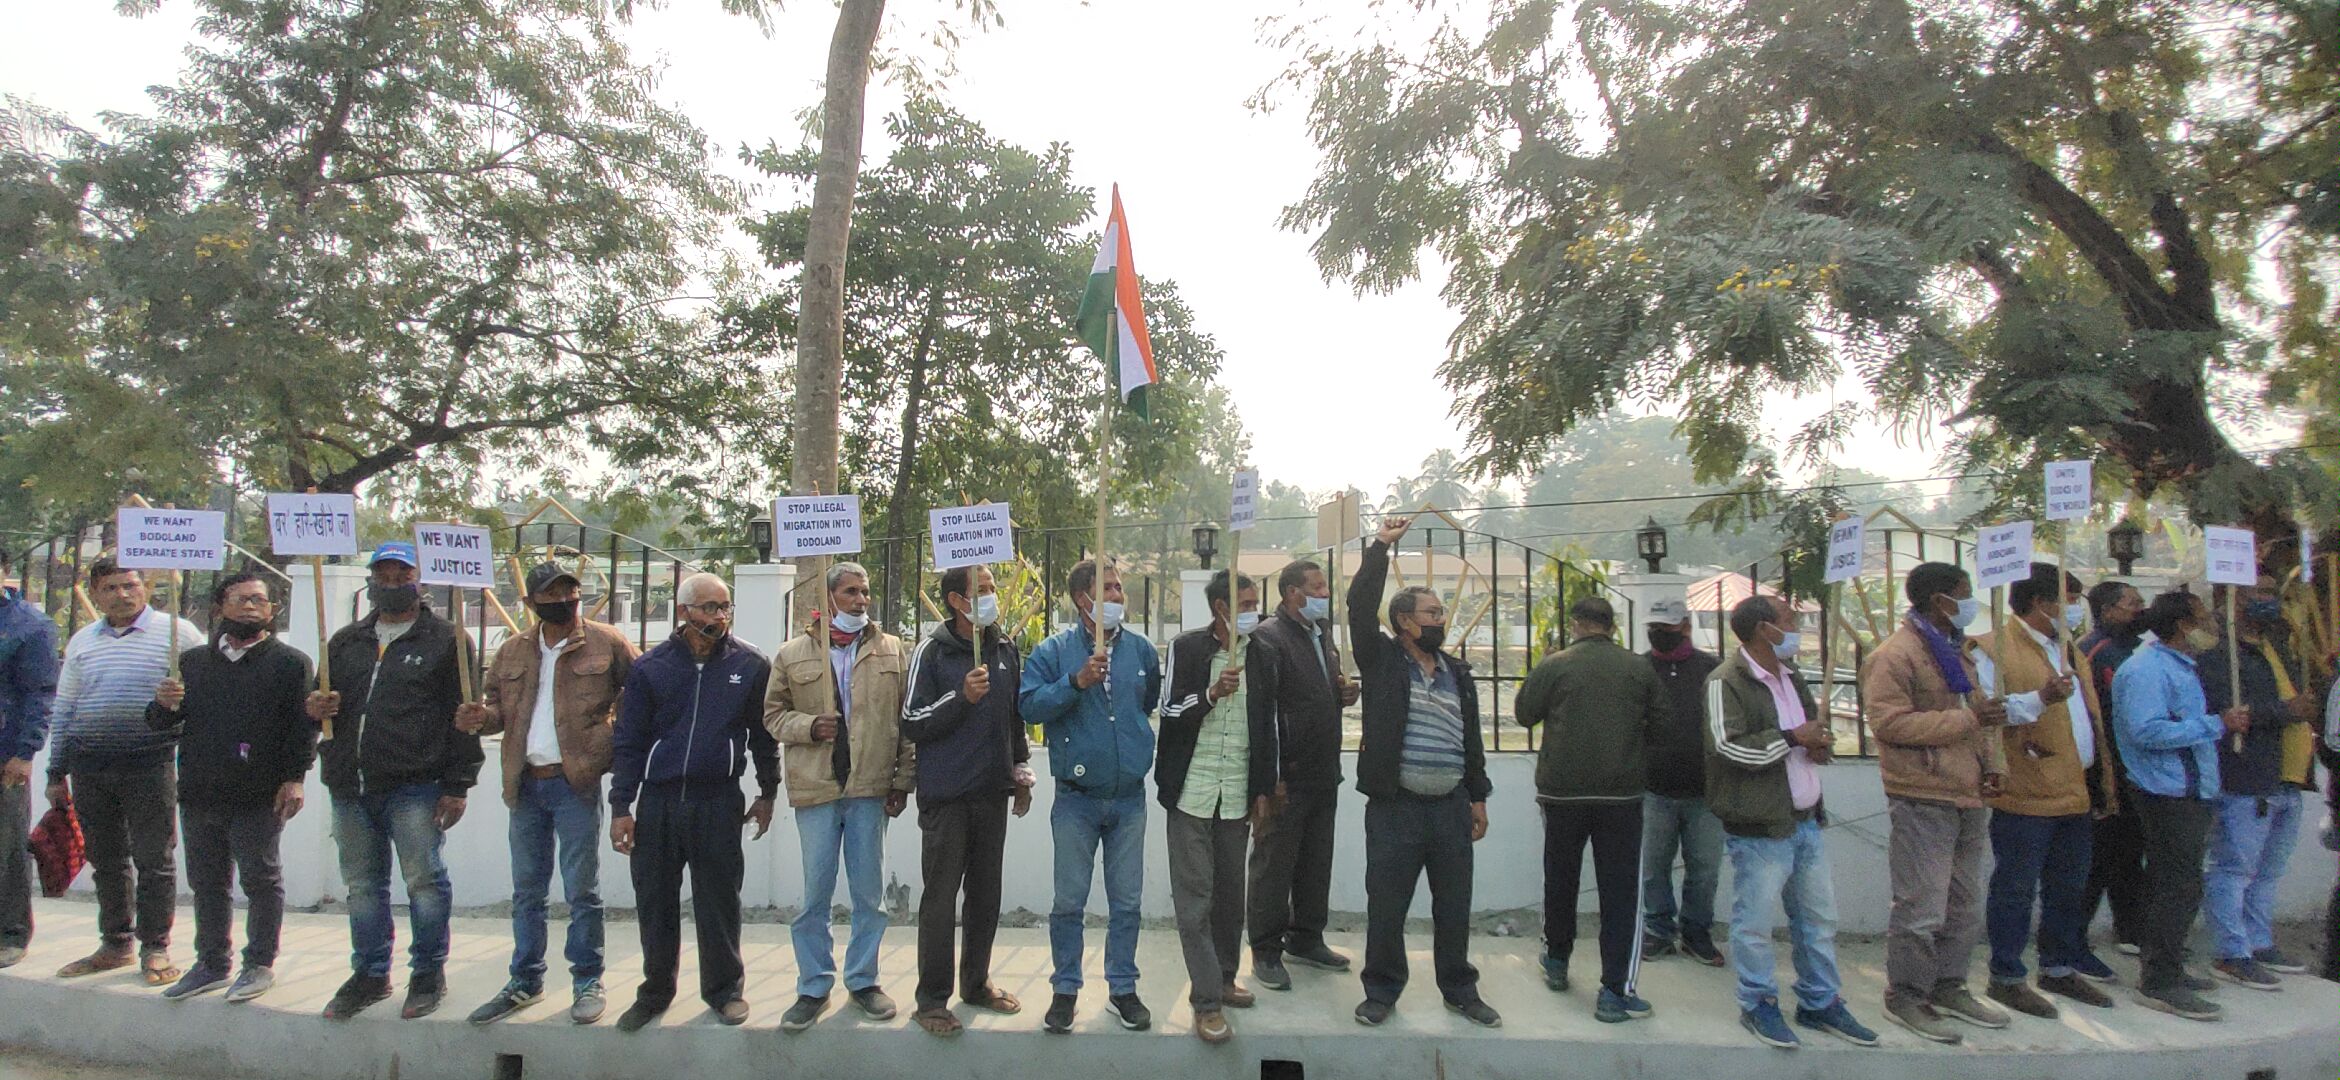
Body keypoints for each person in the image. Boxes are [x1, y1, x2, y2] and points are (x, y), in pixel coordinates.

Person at [308, 541, 484, 1021]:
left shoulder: (448, 640)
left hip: (416, 784)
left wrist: (458, 784)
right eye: (382, 576)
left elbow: (464, 719)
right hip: (350, 784)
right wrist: (315, 710)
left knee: (424, 882)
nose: (391, 584)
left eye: (401, 575)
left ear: (419, 582)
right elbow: (320, 705)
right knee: (362, 886)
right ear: (370, 582)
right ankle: (369, 973)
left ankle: (427, 973)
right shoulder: (343, 642)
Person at [456, 562, 637, 1026]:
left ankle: (587, 979)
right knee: (527, 891)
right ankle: (525, 980)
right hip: (524, 784)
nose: (564, 599)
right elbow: (498, 707)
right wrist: (483, 718)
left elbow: (640, 692)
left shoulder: (608, 642)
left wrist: (611, 740)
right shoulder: (513, 649)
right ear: (532, 601)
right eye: (553, 593)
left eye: (570, 590)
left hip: (575, 782)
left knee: (582, 889)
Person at [606, 571, 779, 1032]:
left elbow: (764, 738)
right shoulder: (650, 668)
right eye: (708, 608)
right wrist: (621, 806)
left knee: (719, 899)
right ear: (684, 613)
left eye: (724, 608)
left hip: (719, 799)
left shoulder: (750, 665)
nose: (718, 617)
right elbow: (629, 742)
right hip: (659, 801)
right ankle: (655, 992)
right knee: (656, 899)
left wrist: (767, 792)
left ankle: (725, 992)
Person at [1706, 596, 1878, 1050]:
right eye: (1790, 621)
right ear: (1765, 629)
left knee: (1818, 919)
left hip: (1804, 819)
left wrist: (1817, 744)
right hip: (1759, 825)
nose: (1798, 627)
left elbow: (1806, 734)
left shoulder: (1790, 676)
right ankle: (1759, 1001)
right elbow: (1730, 748)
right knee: (1755, 922)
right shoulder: (1727, 681)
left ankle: (1820, 1001)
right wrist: (1790, 738)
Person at [1348, 516, 1498, 1029]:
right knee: (1387, 906)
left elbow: (1470, 742)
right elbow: (1358, 607)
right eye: (1433, 613)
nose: (1442, 619)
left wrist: (1478, 797)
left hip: (1451, 809)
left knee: (1454, 908)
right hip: (1397, 809)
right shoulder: (1383, 661)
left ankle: (1459, 989)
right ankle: (1382, 991)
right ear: (1406, 623)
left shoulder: (1458, 673)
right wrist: (1380, 548)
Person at [145, 571, 315, 1003]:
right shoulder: (194, 663)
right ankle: (211, 963)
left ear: (272, 611)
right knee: (207, 883)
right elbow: (163, 723)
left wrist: (295, 778)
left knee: (261, 879)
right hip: (201, 789)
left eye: (260, 600)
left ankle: (258, 963)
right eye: (241, 599)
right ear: (220, 607)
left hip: (260, 793)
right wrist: (162, 705)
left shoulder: (291, 663)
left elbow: (302, 728)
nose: (252, 607)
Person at [1862, 561, 2010, 1044]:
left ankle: (1949, 986)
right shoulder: (1896, 654)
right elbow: (1890, 725)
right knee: (1921, 905)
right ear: (1939, 600)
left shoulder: (1954, 651)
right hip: (1922, 793)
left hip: (1967, 792)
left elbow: (1979, 715)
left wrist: (1993, 768)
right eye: (1963, 594)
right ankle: (1905, 995)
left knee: (1963, 904)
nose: (1971, 603)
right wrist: (1966, 721)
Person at [765, 561, 916, 1032]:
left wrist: (902, 780)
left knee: (869, 895)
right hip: (817, 788)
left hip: (870, 787)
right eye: (850, 592)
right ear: (829, 597)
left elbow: (906, 721)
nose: (860, 600)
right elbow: (772, 716)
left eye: (865, 592)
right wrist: (809, 726)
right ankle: (813, 984)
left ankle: (864, 979)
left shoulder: (892, 650)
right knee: (815, 895)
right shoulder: (793, 653)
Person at [1967, 564, 2118, 1017]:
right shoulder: (1992, 648)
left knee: (2068, 888)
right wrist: (2041, 698)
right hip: (2026, 788)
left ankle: (2057, 967)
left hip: (2074, 786)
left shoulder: (2068, 649)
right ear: (2040, 602)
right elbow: (1989, 711)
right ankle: (2007, 975)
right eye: (2069, 599)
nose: (2075, 609)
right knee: (2016, 887)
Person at [47, 556, 203, 985]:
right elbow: (66, 708)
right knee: (106, 860)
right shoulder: (82, 641)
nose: (122, 594)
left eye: (129, 585)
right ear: (96, 594)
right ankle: (115, 942)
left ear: (145, 587)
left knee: (154, 859)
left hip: (150, 765)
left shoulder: (178, 634)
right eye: (111, 587)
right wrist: (55, 772)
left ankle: (156, 947)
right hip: (90, 767)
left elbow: (204, 697)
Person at [1023, 559, 1162, 1034]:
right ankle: (1065, 990)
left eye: (1120, 587)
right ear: (1083, 599)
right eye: (1109, 588)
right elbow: (1029, 705)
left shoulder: (1141, 651)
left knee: (1126, 901)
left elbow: (1146, 705)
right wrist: (1075, 682)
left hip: (1129, 798)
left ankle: (1122, 988)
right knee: (1069, 902)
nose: (1119, 595)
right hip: (1076, 801)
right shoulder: (1052, 652)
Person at [1514, 595, 1667, 1023]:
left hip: (1562, 794)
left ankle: (1557, 961)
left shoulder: (1556, 664)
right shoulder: (1639, 668)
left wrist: (1541, 668)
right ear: (1611, 626)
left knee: (1560, 878)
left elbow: (1525, 714)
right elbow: (1663, 726)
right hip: (1621, 797)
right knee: (1621, 893)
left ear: (1577, 623)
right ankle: (1615, 991)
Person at [901, 564, 1035, 1037]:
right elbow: (912, 719)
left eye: (993, 589)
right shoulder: (932, 652)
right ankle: (931, 1000)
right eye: (981, 590)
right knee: (940, 899)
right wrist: (960, 698)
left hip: (990, 794)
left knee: (985, 895)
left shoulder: (1004, 647)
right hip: (946, 798)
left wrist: (1019, 770)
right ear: (957, 601)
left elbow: (1013, 718)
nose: (991, 597)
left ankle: (976, 983)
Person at [2113, 589, 2248, 1018]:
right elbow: (2146, 731)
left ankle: (2168, 967)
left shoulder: (2180, 666)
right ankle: (2159, 980)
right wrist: (2215, 724)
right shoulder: (2147, 669)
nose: (2212, 623)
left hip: (2190, 790)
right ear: (2181, 625)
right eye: (2202, 616)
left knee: (2181, 884)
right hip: (2166, 792)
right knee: (2174, 886)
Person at [1157, 569, 1275, 1043]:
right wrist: (1209, 695)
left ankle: (1225, 977)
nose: (1253, 611)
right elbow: (1168, 712)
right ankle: (1205, 1001)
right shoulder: (1187, 649)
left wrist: (1263, 790)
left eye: (1254, 602)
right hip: (1191, 791)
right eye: (1244, 604)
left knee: (1230, 896)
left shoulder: (1263, 654)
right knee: (1195, 901)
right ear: (1221, 609)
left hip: (1236, 793)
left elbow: (1267, 725)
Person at [2196, 576, 2319, 988]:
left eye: (2272, 594)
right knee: (2234, 868)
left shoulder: (2277, 645)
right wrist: (2287, 711)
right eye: (2258, 595)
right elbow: (2228, 710)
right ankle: (2232, 951)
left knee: (2268, 872)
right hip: (2247, 777)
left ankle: (2259, 941)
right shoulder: (2221, 653)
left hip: (2287, 779)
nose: (2269, 602)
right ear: (2232, 601)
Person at [1243, 557, 1358, 991]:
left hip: (1323, 769)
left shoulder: (1321, 634)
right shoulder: (1268, 639)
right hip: (1286, 776)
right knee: (1274, 865)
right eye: (1318, 587)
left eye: (1326, 588)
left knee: (1315, 862)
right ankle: (1266, 950)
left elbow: (1317, 693)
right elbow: (1264, 712)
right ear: (1293, 593)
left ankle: (1306, 937)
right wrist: (1269, 779)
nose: (1326, 595)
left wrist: (1341, 693)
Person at [1636, 596, 1725, 967]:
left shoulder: (1713, 669)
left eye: (1667, 628)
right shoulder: (1638, 669)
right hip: (1653, 788)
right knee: (1653, 867)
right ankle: (1658, 930)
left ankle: (1696, 932)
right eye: (1654, 629)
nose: (1660, 635)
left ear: (1686, 626)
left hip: (1705, 790)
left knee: (1704, 869)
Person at [2077, 578, 2148, 958]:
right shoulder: (2092, 652)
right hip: (2103, 772)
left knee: (2129, 854)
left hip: (2135, 771)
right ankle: (2072, 936)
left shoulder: (2138, 651)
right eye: (2133, 603)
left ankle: (2131, 930)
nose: (2141, 610)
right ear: (2107, 611)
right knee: (2098, 856)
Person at [0, 548, 58, 970]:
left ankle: (11, 933)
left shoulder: (28, 625)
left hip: (6, 753)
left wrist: (25, 751)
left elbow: (39, 693)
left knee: (6, 846)